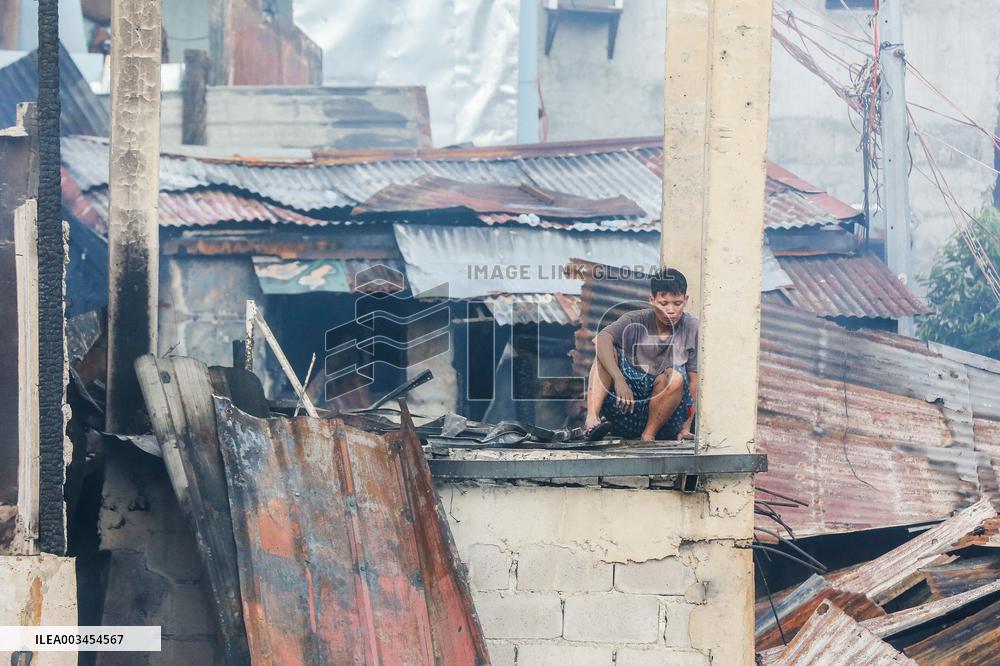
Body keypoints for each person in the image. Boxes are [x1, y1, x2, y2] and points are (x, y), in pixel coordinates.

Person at [583, 268, 698, 441]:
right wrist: (619, 379)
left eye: (677, 303)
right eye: (664, 303)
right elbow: (601, 339)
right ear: (652, 300)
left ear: (686, 300)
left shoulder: (692, 327)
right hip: (626, 412)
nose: (671, 310)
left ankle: (648, 436)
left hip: (665, 421)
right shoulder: (635, 320)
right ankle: (592, 420)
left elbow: (694, 381)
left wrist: (686, 426)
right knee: (605, 353)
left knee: (677, 376)